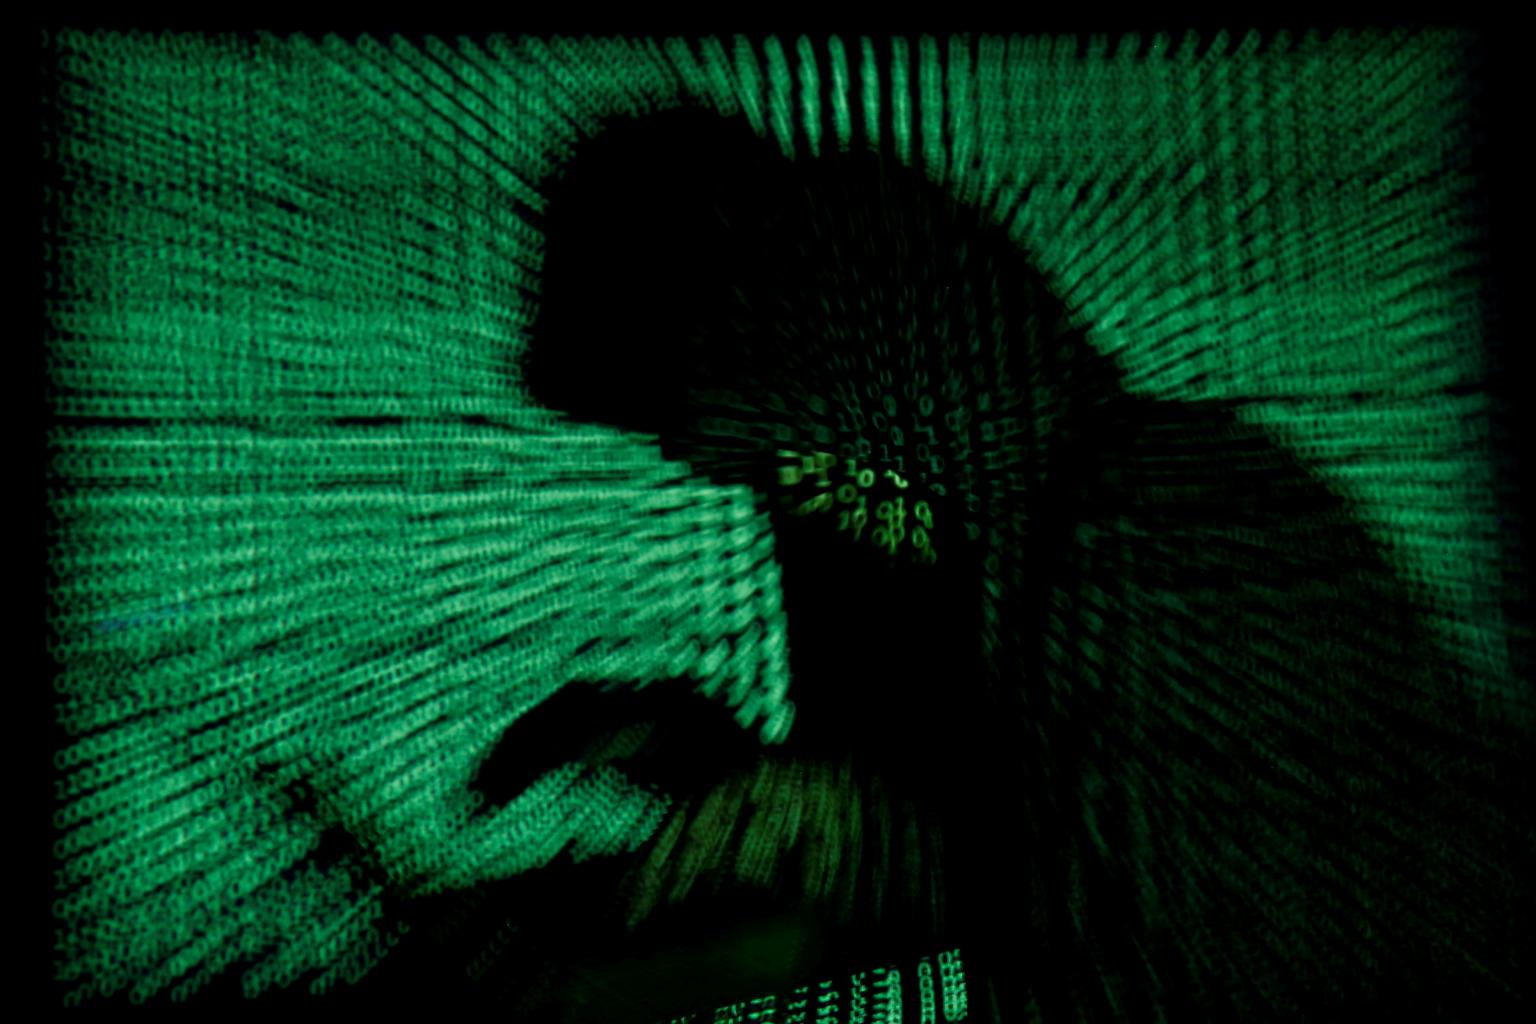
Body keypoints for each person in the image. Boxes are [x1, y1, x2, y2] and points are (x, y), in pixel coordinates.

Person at [337, 105, 1532, 1021]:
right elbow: (939, 805)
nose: (700, 462)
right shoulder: (915, 511)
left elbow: (1093, 934)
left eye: (682, 407)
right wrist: (707, 761)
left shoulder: (1141, 540)